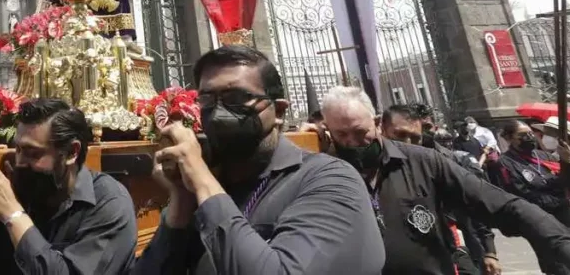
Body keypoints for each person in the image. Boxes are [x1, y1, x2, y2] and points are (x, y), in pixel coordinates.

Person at [134, 46, 384, 275]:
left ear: (279, 111)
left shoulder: (330, 180)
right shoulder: (204, 188)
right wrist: (180, 205)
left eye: (236, 100)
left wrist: (201, 180)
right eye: (208, 100)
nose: (219, 114)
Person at [321, 86, 570, 275]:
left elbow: (499, 203)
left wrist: (559, 241)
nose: (352, 142)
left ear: (376, 123)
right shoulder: (320, 173)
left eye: (359, 132)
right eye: (341, 134)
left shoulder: (424, 162)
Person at [0, 98, 138, 275]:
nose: (20, 163)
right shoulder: (23, 191)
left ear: (71, 152)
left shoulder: (109, 202)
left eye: (33, 154)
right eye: (18, 150)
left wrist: (13, 215)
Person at [380, 105, 498, 275]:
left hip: (457, 249)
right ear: (383, 129)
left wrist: (490, 250)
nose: (407, 144)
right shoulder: (375, 170)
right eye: (399, 135)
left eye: (416, 136)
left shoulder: (447, 162)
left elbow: (475, 203)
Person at [487, 120, 570, 228]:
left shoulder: (545, 156)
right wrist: (556, 200)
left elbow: (565, 180)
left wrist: (569, 162)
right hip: (539, 218)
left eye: (531, 133)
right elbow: (518, 193)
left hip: (564, 213)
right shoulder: (504, 163)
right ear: (509, 138)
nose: (529, 137)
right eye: (522, 135)